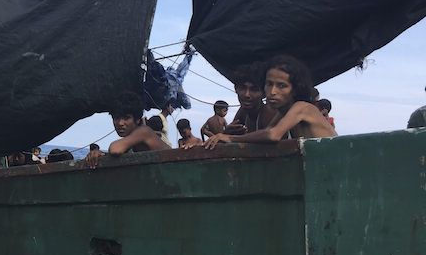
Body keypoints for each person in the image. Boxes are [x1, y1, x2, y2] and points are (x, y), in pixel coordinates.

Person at [203, 55, 337, 148]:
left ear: (295, 89)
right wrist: (220, 137)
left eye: (282, 86)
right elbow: (267, 130)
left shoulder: (302, 107)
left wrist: (230, 138)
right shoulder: (283, 112)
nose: (273, 91)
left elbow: (273, 135)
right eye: (269, 84)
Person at [85, 91, 170, 168]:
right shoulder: (131, 141)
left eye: (126, 118)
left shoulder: (144, 131)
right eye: (116, 118)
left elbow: (115, 149)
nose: (120, 123)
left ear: (137, 119)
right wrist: (99, 154)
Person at [223, 62, 277, 135]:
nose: (247, 95)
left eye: (254, 90)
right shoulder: (243, 111)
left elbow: (268, 139)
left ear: (264, 93)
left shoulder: (268, 113)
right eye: (243, 88)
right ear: (236, 89)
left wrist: (230, 137)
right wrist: (226, 133)